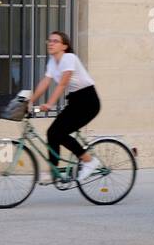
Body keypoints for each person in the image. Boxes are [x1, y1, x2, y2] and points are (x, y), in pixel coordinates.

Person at [27, 31, 101, 183]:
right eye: (49, 40)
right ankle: (54, 172)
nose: (51, 43)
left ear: (64, 46)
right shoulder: (52, 61)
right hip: (75, 101)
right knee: (52, 132)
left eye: (55, 41)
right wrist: (30, 101)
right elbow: (45, 82)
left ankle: (89, 161)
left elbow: (62, 84)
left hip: (88, 101)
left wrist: (49, 104)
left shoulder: (69, 58)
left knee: (60, 133)